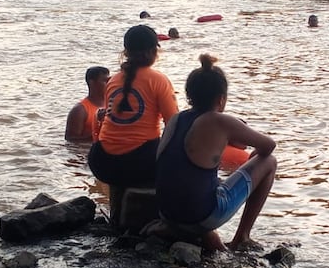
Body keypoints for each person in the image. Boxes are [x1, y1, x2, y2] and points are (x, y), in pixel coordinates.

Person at [156, 54, 277, 252]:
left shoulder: (176, 120)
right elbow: (269, 146)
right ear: (221, 99)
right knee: (269, 161)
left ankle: (192, 232)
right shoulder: (220, 121)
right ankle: (242, 237)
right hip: (201, 216)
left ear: (189, 95)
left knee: (200, 179)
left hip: (167, 213)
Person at [88, 25, 178, 191]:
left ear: (126, 52)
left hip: (101, 162)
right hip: (139, 164)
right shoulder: (158, 80)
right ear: (153, 51)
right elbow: (174, 125)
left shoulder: (112, 81)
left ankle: (117, 209)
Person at [64, 66, 110, 143]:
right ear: (91, 82)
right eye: (104, 81)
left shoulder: (113, 104)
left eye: (109, 80)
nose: (108, 84)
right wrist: (98, 133)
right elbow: (70, 140)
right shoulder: (80, 110)